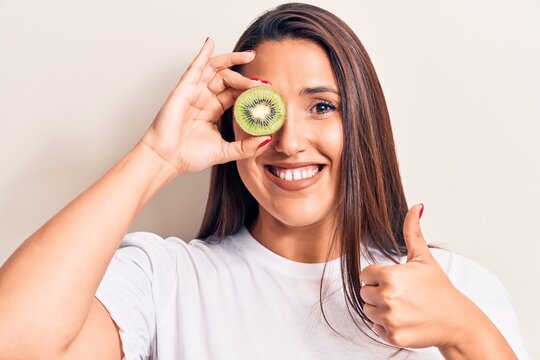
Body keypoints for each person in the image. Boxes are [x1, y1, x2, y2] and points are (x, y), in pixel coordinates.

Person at [0, 3, 529, 360]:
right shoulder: (164, 280)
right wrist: (156, 156)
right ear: (235, 119)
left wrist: (463, 330)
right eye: (264, 107)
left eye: (322, 106)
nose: (290, 141)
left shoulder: (457, 289)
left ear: (364, 123)